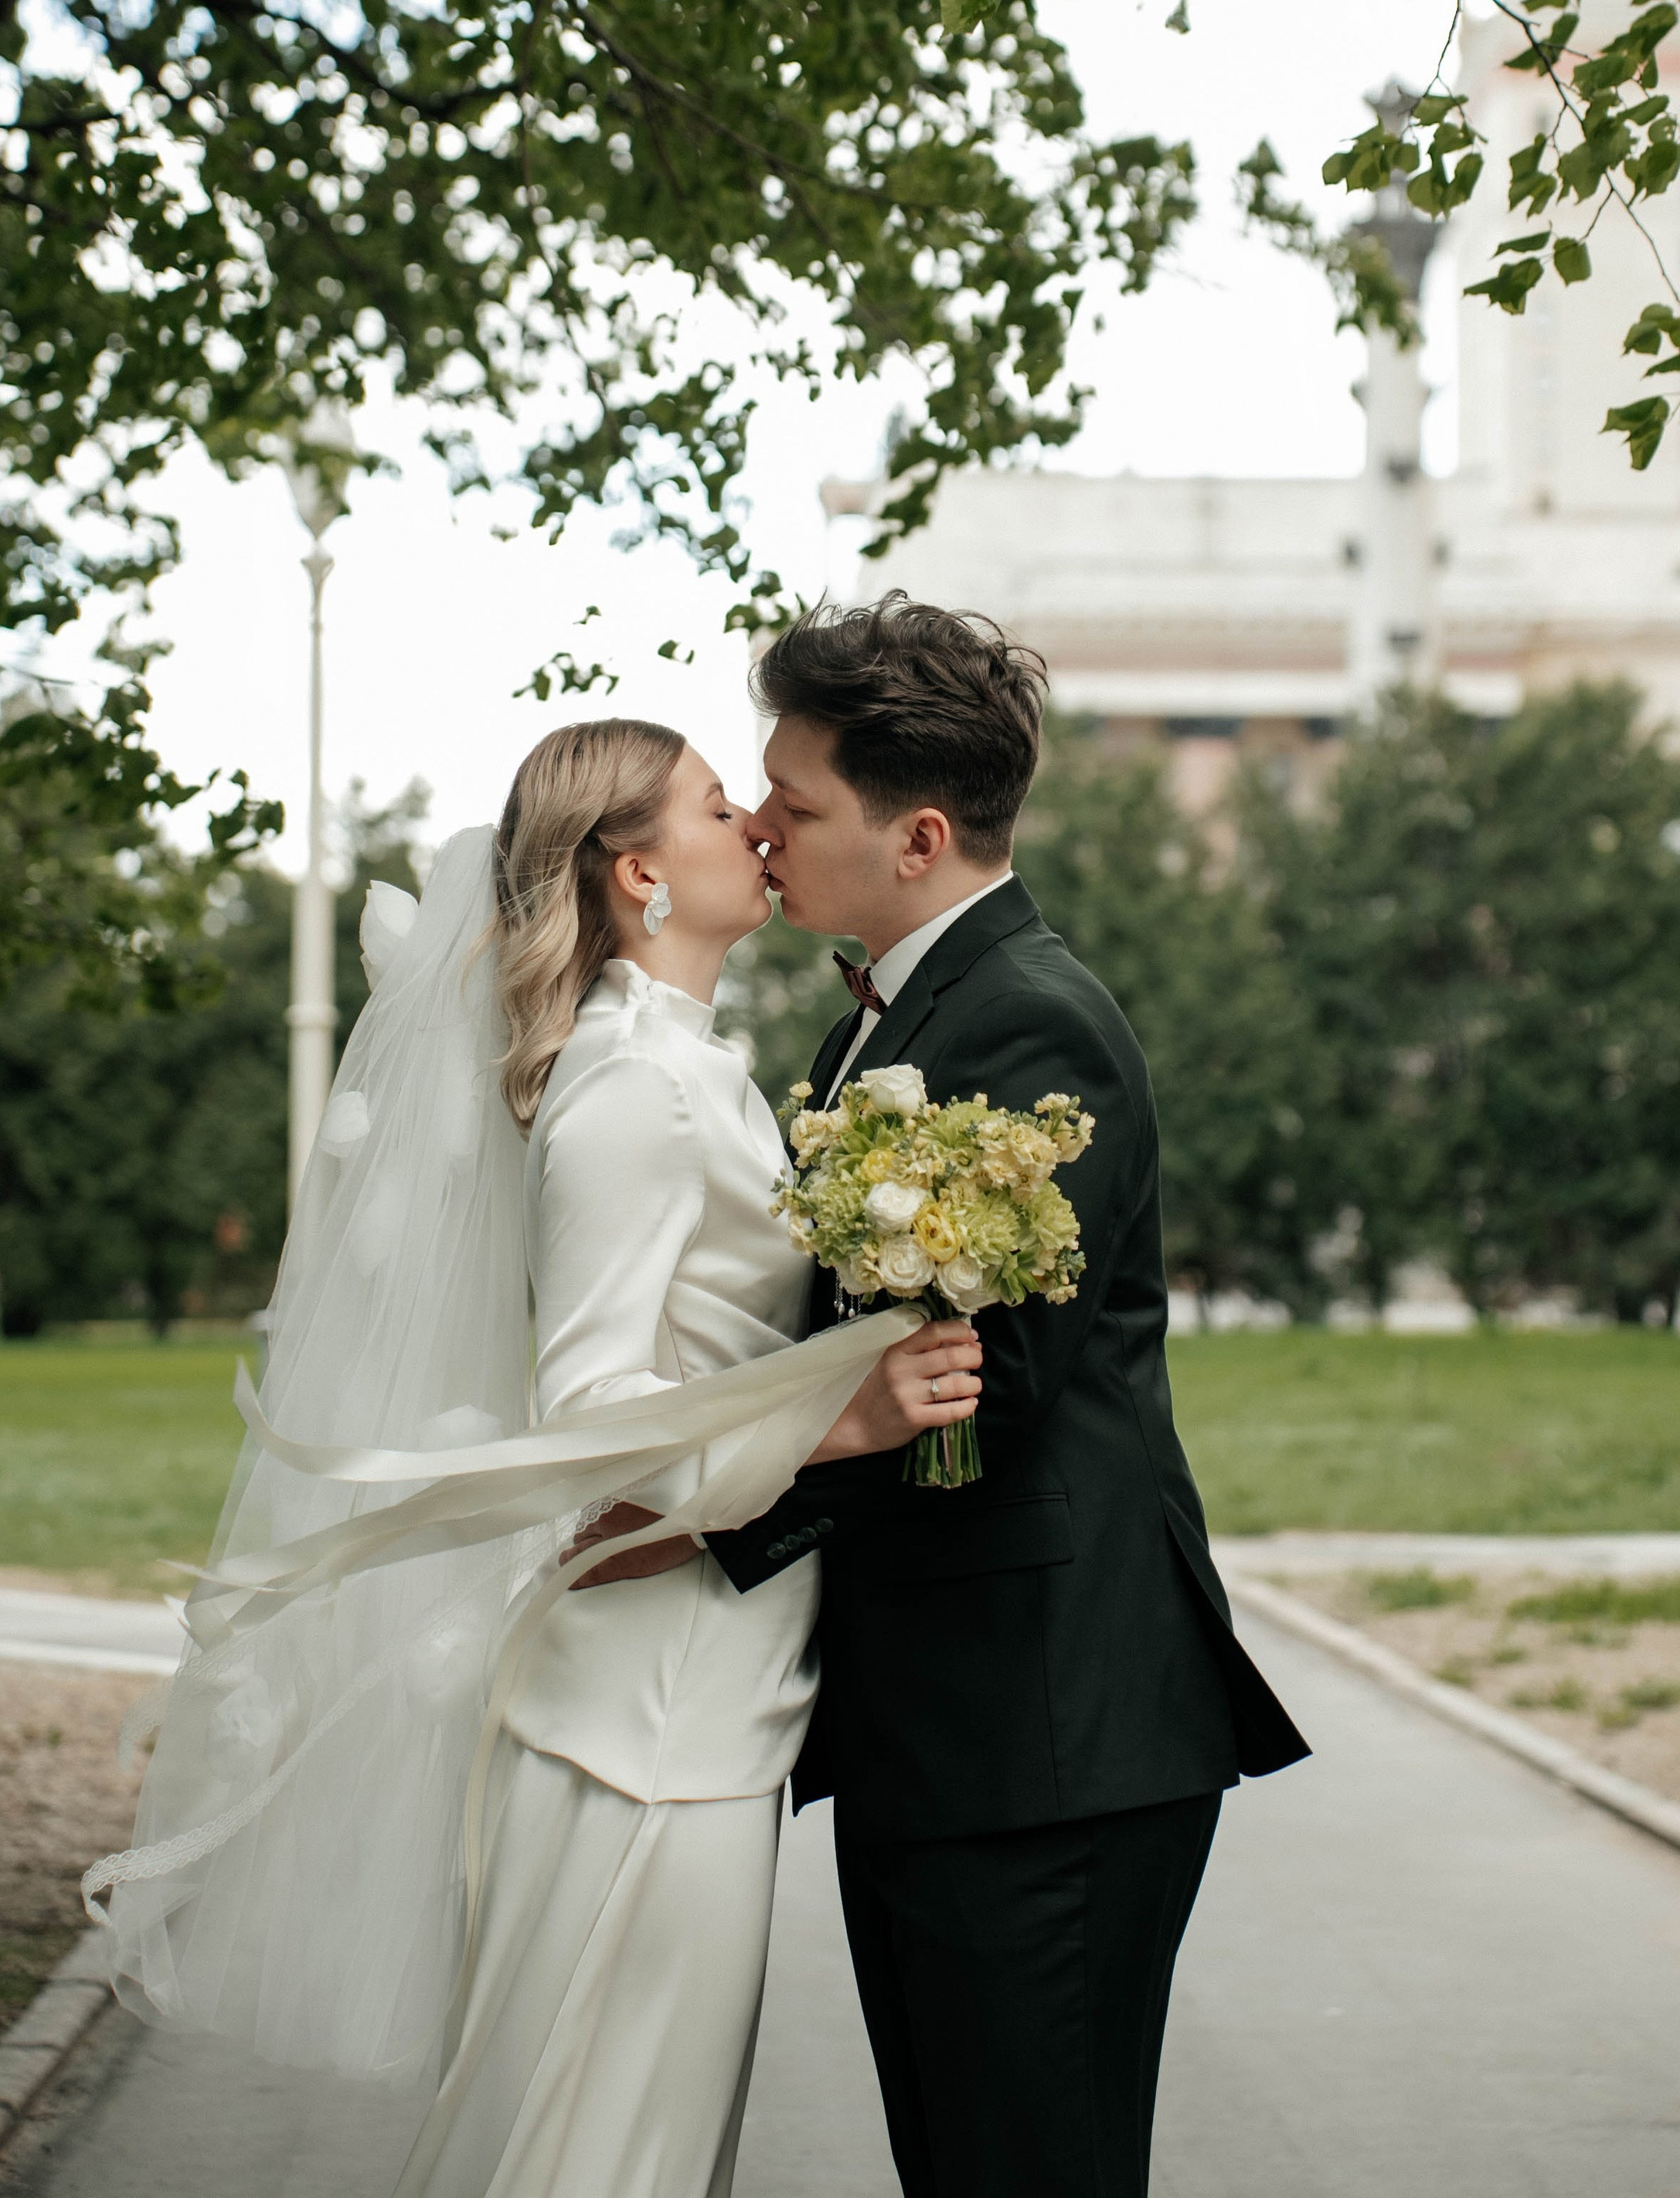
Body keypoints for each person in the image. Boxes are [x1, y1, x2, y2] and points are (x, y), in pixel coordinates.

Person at [89, 719, 979, 2198]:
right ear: (640, 871)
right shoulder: (631, 1085)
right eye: (716, 806)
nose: (757, 824)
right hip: (641, 1719)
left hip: (703, 1691)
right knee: (599, 2154)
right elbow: (587, 1422)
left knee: (634, 2145)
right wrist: (845, 1420)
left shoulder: (699, 1070)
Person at [702, 595, 1311, 2198]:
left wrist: (690, 1516)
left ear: (912, 835)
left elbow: (977, 1400)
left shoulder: (1025, 1019)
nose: (758, 822)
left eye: (795, 799)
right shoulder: (897, 1017)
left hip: (1043, 1744)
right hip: (950, 1733)